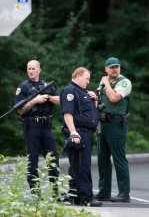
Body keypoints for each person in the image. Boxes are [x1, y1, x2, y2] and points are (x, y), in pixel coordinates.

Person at [15, 59, 59, 194]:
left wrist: (48, 97)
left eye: (33, 68)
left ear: (39, 70)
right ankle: (35, 194)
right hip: (32, 126)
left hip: (46, 126)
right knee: (32, 160)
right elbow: (19, 110)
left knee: (52, 158)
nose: (31, 71)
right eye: (29, 68)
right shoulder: (23, 87)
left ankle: (55, 192)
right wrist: (34, 101)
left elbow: (60, 100)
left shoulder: (47, 85)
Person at [60, 67, 102, 206]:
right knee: (82, 166)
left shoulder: (83, 92)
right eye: (87, 78)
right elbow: (67, 113)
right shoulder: (70, 91)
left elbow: (91, 113)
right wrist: (73, 132)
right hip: (78, 132)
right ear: (78, 76)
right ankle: (86, 198)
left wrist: (94, 100)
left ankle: (76, 196)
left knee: (79, 166)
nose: (88, 82)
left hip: (86, 133)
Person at [96, 57, 132, 202]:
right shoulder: (103, 81)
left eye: (116, 67)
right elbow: (99, 99)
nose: (114, 69)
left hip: (117, 124)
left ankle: (124, 194)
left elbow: (114, 98)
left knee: (119, 158)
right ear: (106, 69)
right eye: (111, 67)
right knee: (102, 159)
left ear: (120, 68)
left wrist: (105, 83)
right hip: (103, 123)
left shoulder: (124, 82)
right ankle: (104, 192)